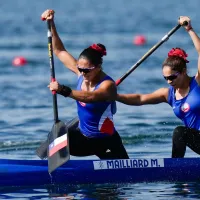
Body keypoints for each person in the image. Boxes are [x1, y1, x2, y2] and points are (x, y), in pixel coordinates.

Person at [41, 9, 129, 159]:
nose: (82, 73)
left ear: (98, 67)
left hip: (105, 141)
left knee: (124, 178)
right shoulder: (82, 73)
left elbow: (89, 97)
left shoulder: (108, 85)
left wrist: (62, 89)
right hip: (84, 138)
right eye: (80, 69)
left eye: (86, 70)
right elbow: (59, 50)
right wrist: (51, 24)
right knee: (57, 139)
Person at [117, 16, 200, 158]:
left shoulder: (197, 82)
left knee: (179, 132)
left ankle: (176, 170)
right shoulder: (168, 94)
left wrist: (189, 29)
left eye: (172, 77)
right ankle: (177, 170)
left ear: (184, 72)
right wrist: (113, 96)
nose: (169, 81)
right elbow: (140, 98)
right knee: (181, 133)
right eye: (166, 78)